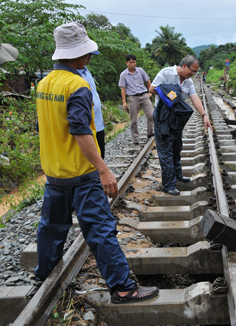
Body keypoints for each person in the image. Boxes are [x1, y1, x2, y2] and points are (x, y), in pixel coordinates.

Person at [35, 22, 158, 303]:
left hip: (54, 173)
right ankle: (123, 288)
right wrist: (103, 169)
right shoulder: (77, 85)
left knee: (51, 228)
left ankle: (44, 280)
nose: (89, 58)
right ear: (77, 54)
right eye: (87, 53)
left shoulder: (44, 84)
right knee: (101, 229)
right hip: (82, 172)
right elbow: (79, 130)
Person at [149, 55, 211, 196]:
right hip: (163, 117)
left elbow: (194, 97)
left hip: (176, 118)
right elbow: (151, 89)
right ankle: (169, 185)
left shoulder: (188, 82)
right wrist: (172, 92)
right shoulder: (166, 73)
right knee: (166, 150)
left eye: (196, 72)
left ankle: (178, 175)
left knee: (177, 147)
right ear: (184, 66)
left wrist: (204, 115)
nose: (193, 74)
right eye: (192, 71)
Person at [118, 54, 154, 144]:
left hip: (144, 95)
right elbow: (123, 89)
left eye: (134, 62)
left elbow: (148, 80)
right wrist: (124, 102)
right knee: (133, 119)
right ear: (127, 63)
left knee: (151, 115)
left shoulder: (140, 71)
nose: (132, 64)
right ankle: (135, 138)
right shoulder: (123, 75)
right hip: (133, 98)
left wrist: (150, 92)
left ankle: (150, 133)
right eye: (130, 62)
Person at [77, 51, 105, 159]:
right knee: (91, 160)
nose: (90, 58)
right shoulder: (73, 76)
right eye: (88, 56)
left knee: (101, 155)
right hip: (87, 126)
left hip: (98, 123)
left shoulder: (86, 71)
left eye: (90, 56)